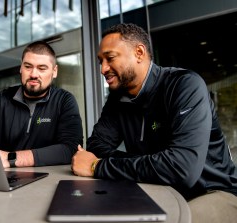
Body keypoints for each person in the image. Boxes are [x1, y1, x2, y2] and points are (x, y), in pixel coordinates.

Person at [71, 23, 237, 222]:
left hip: (211, 191)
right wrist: (156, 165)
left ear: (139, 52)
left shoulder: (184, 85)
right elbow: (97, 146)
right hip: (154, 187)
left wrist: (96, 167)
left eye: (110, 58)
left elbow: (182, 169)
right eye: (100, 61)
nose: (103, 68)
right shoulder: (117, 99)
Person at [0, 41, 83, 168]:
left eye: (42, 68)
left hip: (50, 178)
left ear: (54, 71)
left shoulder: (64, 101)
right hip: (5, 178)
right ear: (21, 68)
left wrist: (11, 158)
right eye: (28, 66)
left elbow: (71, 148)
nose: (34, 74)